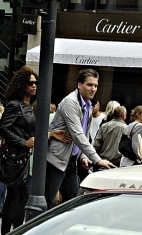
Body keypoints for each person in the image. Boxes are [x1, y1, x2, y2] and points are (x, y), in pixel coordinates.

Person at [45, 68, 114, 207]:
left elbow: (85, 133)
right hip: (56, 160)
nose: (93, 88)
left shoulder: (88, 104)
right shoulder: (70, 102)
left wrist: (83, 156)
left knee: (71, 204)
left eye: (95, 85)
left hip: (71, 161)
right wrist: (97, 160)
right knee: (47, 202)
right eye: (89, 85)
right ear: (79, 85)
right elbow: (78, 134)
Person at [0, 67, 36, 235]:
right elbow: (3, 129)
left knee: (15, 198)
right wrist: (24, 143)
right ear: (22, 85)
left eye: (36, 83)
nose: (34, 86)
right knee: (18, 198)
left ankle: (9, 234)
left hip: (22, 157)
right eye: (30, 83)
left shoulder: (28, 106)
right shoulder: (15, 105)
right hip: (15, 157)